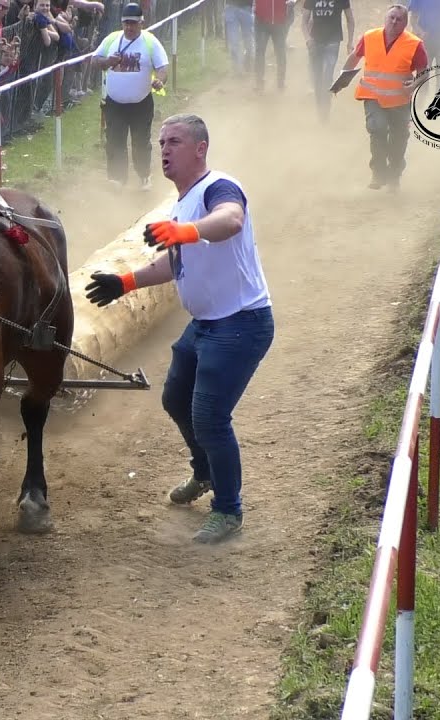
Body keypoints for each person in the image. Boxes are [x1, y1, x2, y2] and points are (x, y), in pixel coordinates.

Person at [84, 114, 274, 544]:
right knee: (175, 397)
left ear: (200, 148)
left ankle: (228, 510)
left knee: (210, 416)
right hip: (206, 324)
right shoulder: (183, 202)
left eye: (174, 142)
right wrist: (125, 282)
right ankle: (205, 472)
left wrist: (185, 230)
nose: (164, 150)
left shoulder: (218, 188)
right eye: (161, 143)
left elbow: (231, 221)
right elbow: (176, 262)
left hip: (241, 323)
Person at [337, 4, 427, 190]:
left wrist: (414, 84)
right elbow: (355, 57)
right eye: (391, 17)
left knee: (399, 139)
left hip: (399, 100)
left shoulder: (415, 44)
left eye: (399, 19)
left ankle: (394, 175)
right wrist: (341, 80)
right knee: (377, 129)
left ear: (405, 23)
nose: (394, 22)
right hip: (372, 96)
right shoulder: (370, 37)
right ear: (385, 18)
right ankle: (378, 173)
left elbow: (424, 72)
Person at [91, 3, 169, 191]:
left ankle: (144, 176)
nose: (129, 27)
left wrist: (159, 80)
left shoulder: (150, 42)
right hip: (114, 103)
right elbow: (94, 60)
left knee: (140, 141)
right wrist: (107, 61)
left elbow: (163, 67)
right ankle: (117, 179)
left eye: (133, 23)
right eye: (126, 23)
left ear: (142, 23)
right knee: (115, 140)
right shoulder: (111, 39)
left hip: (141, 103)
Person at [303, 0, 355, 122]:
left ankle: (325, 112)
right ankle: (319, 108)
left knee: (327, 77)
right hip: (315, 41)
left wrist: (350, 42)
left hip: (333, 41)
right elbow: (304, 21)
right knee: (317, 78)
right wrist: (308, 39)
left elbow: (350, 19)